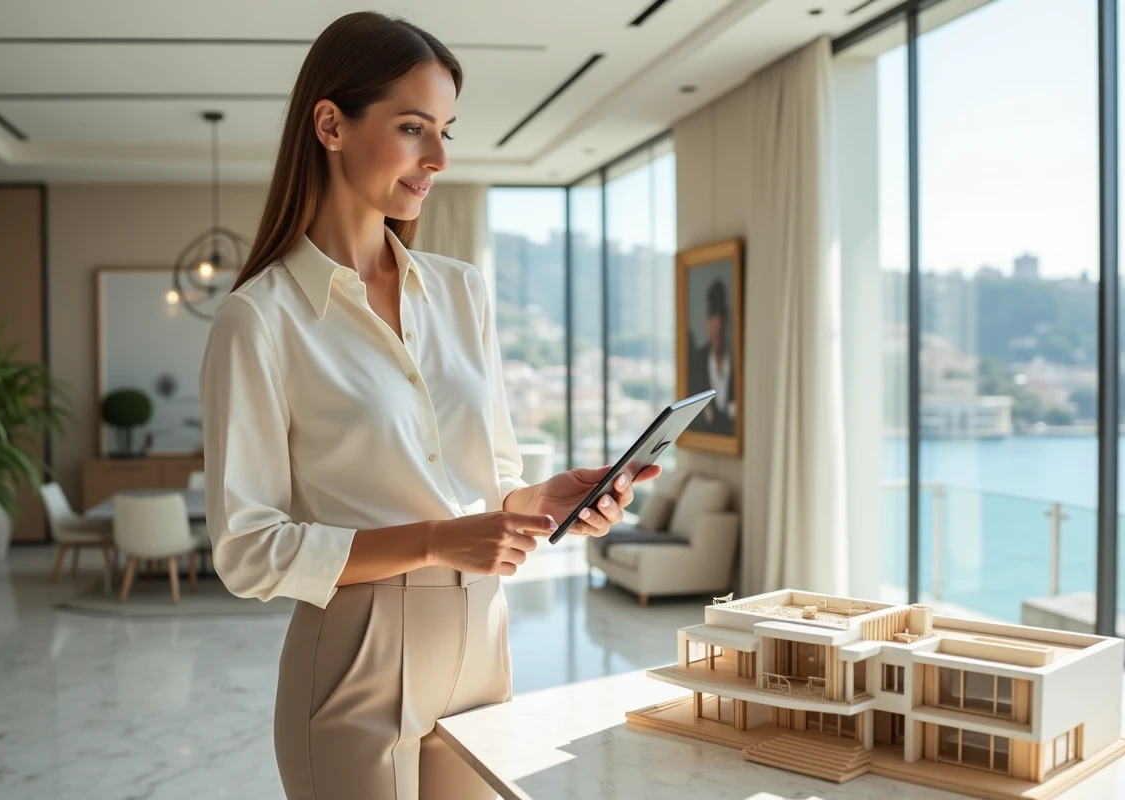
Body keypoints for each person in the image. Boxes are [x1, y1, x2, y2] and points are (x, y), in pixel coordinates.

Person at [198, 12, 659, 800]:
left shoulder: (460, 290)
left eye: (445, 130)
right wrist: (442, 538)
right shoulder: (261, 317)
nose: (439, 159)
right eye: (414, 128)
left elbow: (491, 478)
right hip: (355, 654)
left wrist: (539, 504)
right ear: (331, 124)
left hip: (482, 636)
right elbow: (248, 550)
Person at [686, 278, 735, 435]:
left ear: (727, 323)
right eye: (713, 319)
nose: (718, 326)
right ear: (708, 322)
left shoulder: (736, 363)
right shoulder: (697, 362)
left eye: (721, 319)